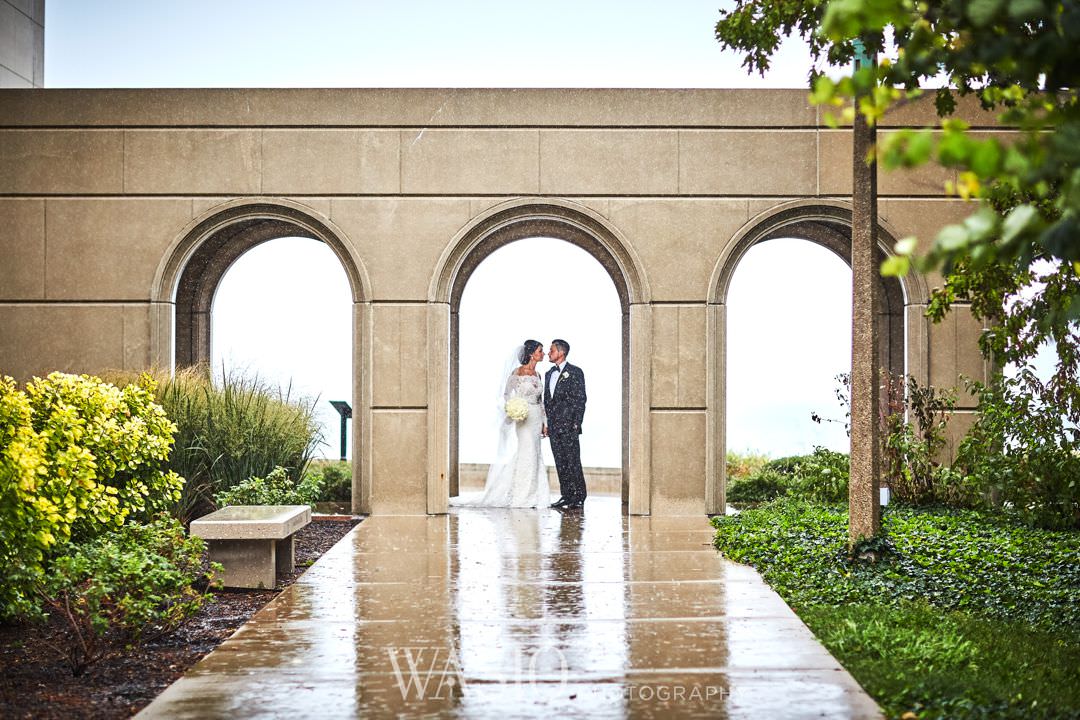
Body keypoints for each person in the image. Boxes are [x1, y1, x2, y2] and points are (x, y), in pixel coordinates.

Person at [453, 339, 550, 508]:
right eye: (540, 350)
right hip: (523, 418)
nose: (543, 354)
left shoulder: (538, 375)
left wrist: (545, 422)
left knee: (535, 453)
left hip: (535, 418)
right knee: (526, 452)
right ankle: (521, 496)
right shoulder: (518, 372)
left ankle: (534, 494)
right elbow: (506, 394)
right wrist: (514, 408)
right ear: (531, 353)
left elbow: (541, 402)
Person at [544, 339, 587, 510]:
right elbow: (547, 401)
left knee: (573, 461)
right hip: (554, 427)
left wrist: (576, 423)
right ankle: (566, 495)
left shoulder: (575, 372)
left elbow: (580, 399)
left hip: (569, 426)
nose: (549, 353)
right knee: (560, 462)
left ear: (561, 352)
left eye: (551, 350)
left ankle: (579, 496)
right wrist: (546, 423)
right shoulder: (548, 373)